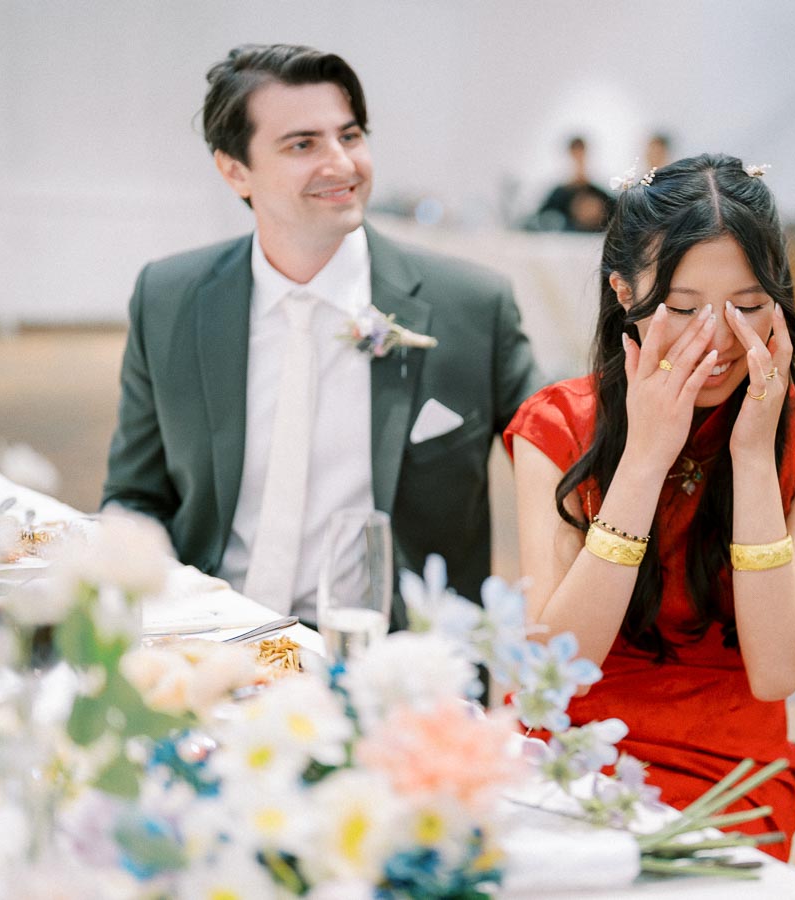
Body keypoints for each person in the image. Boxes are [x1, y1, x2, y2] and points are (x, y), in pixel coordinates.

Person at [504, 154, 795, 859]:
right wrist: (644, 459)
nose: (718, 336)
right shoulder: (557, 425)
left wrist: (755, 457)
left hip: (725, 773)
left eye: (750, 305)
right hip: (571, 748)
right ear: (623, 292)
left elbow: (776, 671)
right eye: (682, 308)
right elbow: (555, 660)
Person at [103, 44, 542, 620]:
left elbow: (569, 473)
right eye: (303, 144)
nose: (342, 163)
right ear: (235, 170)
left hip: (392, 665)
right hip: (210, 643)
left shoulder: (471, 307)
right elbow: (135, 497)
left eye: (351, 136)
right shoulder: (170, 299)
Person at [535, 135, 613, 232]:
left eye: (581, 154)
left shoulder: (600, 194)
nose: (579, 159)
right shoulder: (558, 195)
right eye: (576, 154)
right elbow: (541, 219)